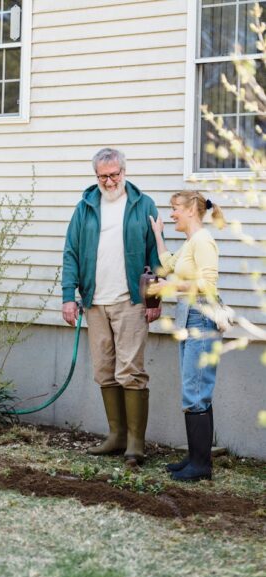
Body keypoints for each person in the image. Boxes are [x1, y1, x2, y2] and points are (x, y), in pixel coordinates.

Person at [62, 148, 161, 465]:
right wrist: (68, 296)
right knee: (105, 371)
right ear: (96, 177)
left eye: (115, 174)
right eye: (103, 175)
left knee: (130, 371)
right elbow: (71, 253)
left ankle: (135, 444)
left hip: (130, 302)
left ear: (124, 171)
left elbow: (155, 255)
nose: (110, 180)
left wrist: (154, 299)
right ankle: (116, 436)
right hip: (95, 302)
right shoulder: (85, 207)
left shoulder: (142, 205)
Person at [149, 190, 226, 481]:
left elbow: (207, 284)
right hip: (191, 318)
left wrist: (167, 289)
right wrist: (158, 234)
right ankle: (196, 459)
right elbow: (167, 264)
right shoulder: (191, 242)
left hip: (202, 319)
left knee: (196, 391)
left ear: (191, 210)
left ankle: (201, 466)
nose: (172, 214)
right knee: (194, 390)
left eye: (175, 209)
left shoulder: (204, 241)